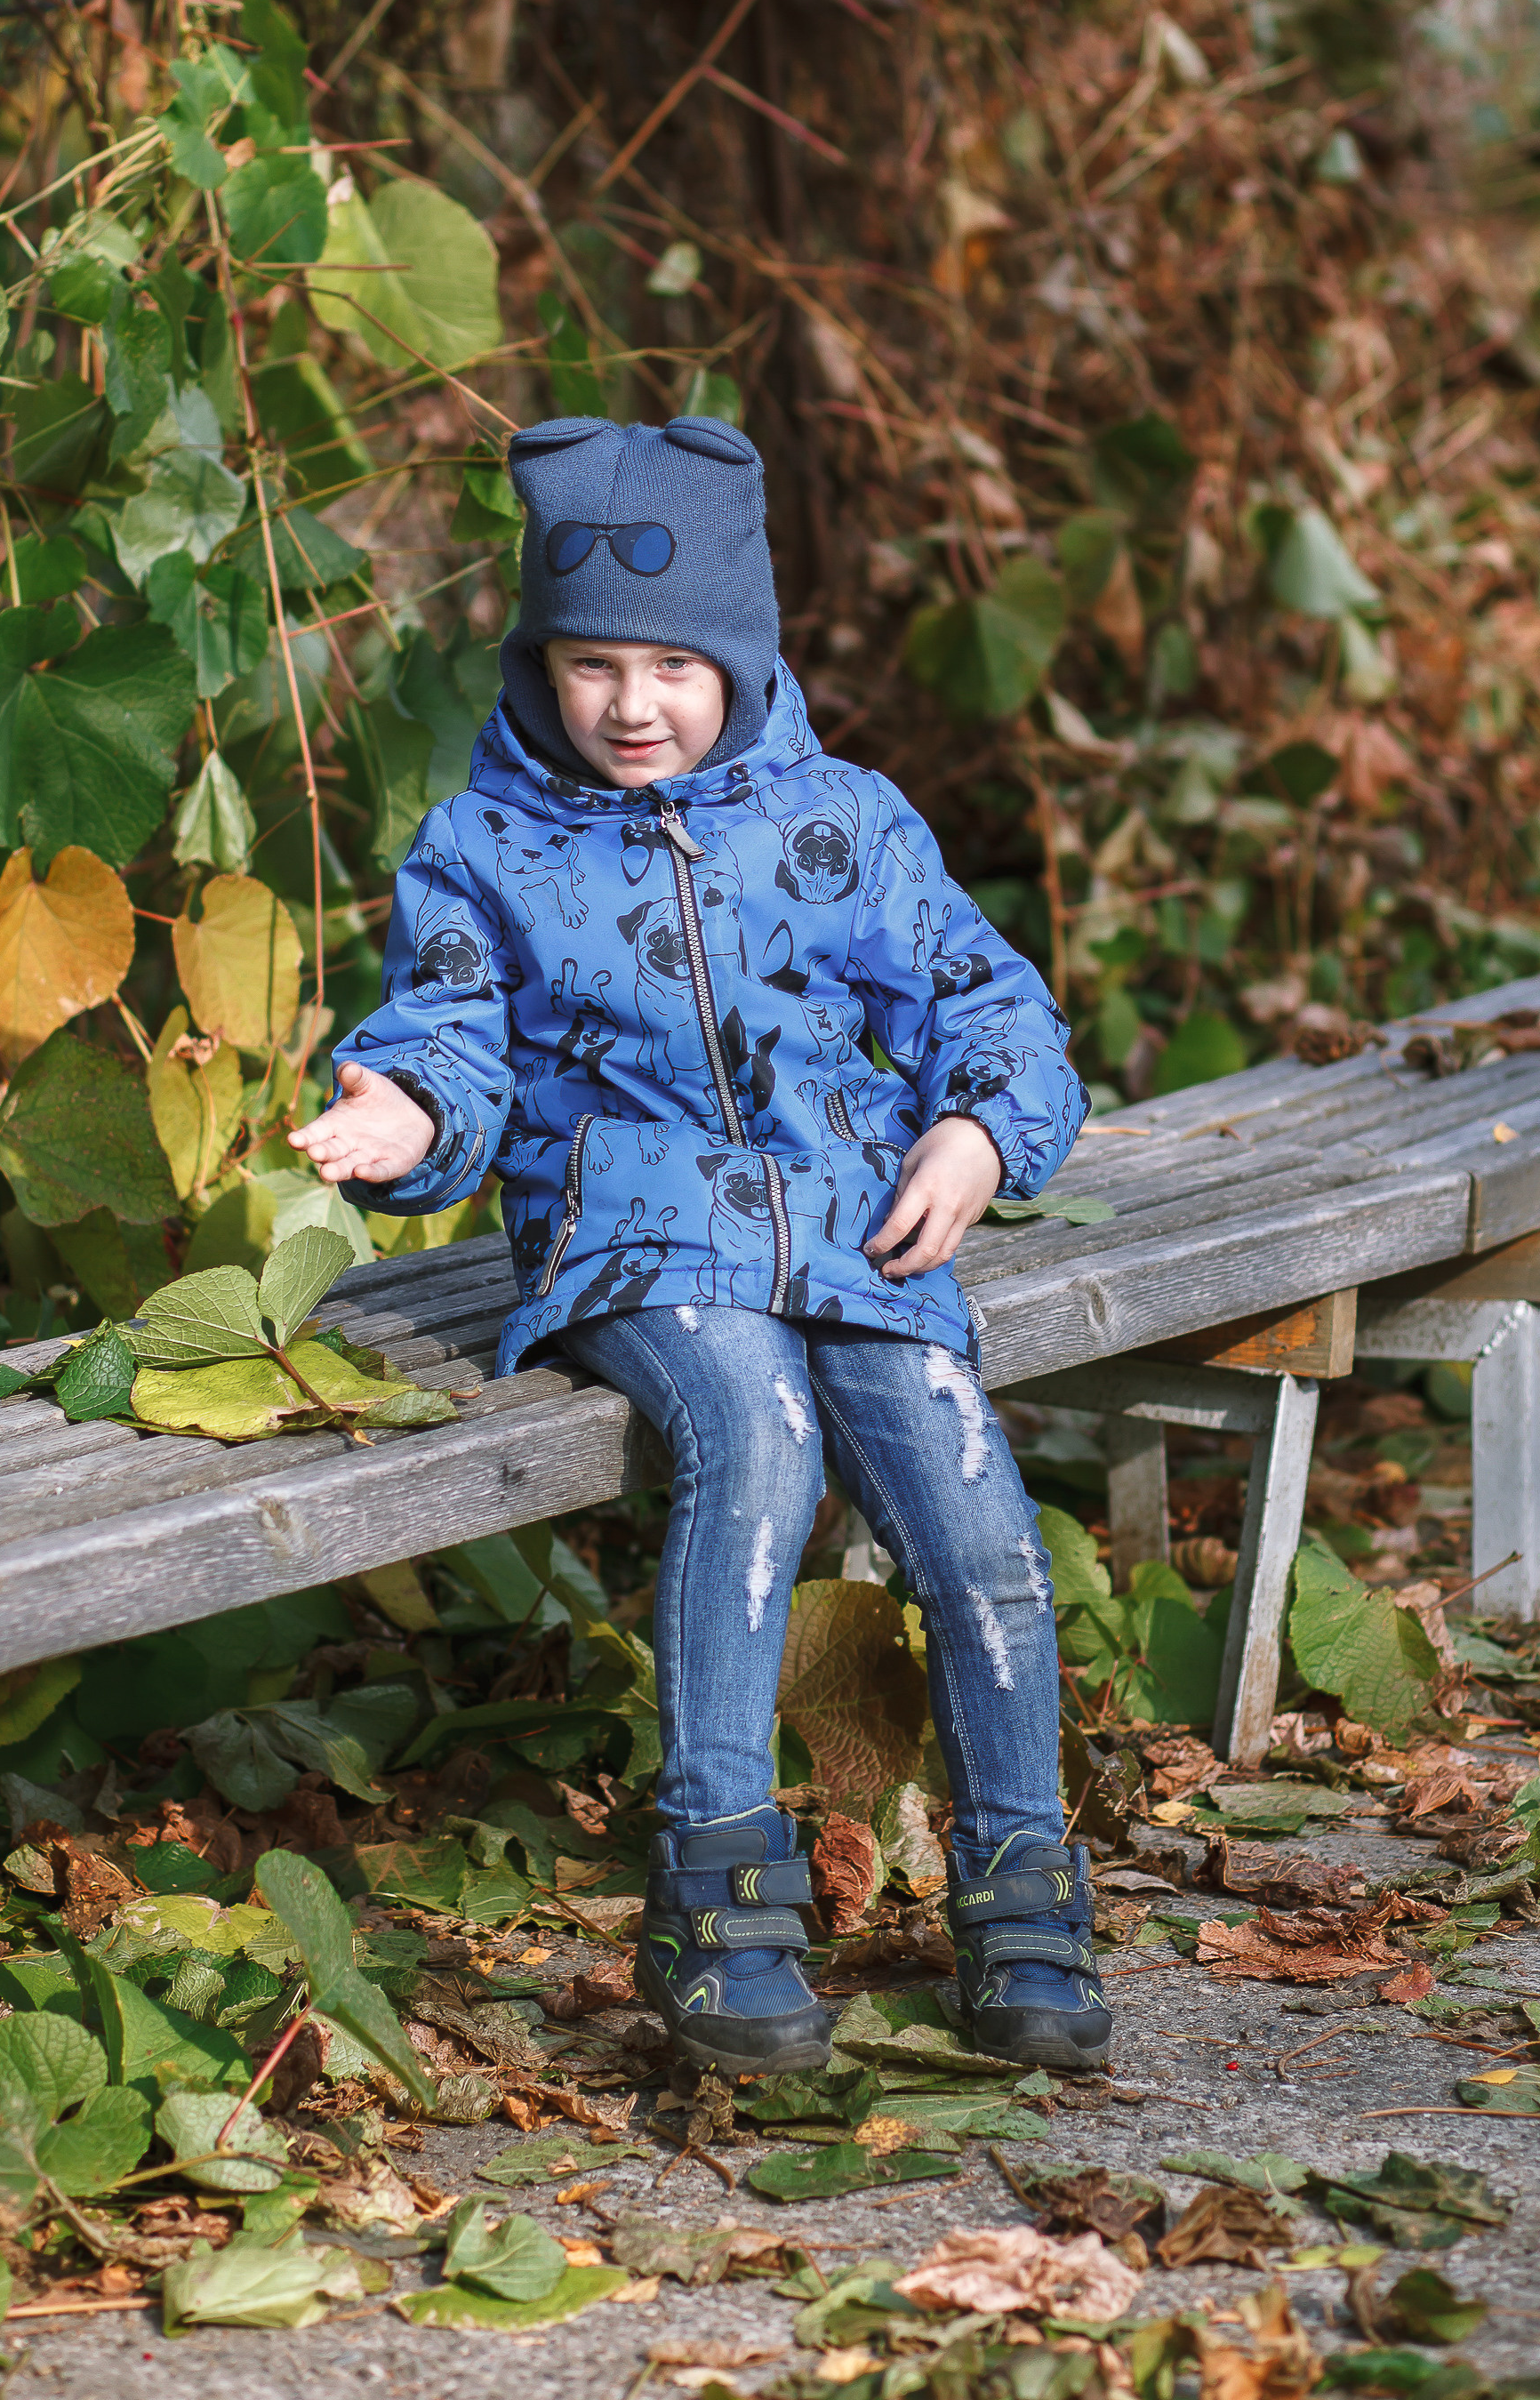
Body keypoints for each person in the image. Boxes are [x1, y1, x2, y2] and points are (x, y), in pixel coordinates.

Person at [291, 415, 1103, 2078]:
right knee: (757, 1439)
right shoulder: (486, 849)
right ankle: (719, 1882)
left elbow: (987, 998)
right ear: (542, 665)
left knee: (973, 1505)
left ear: (740, 656)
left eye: (673, 662)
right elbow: (451, 1033)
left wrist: (977, 1131)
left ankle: (1023, 1882)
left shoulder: (845, 823)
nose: (633, 704)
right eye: (592, 664)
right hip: (639, 1233)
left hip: (857, 1222)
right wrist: (408, 1119)